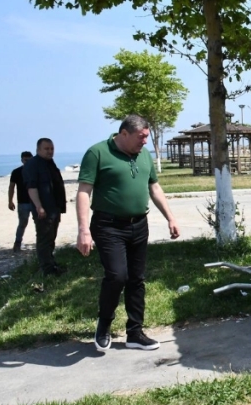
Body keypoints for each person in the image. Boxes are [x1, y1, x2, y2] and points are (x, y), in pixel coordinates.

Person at [76, 115, 180, 352]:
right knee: (117, 276)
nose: (145, 142)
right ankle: (103, 326)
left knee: (137, 278)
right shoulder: (97, 153)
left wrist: (170, 217)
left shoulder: (144, 155)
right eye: (141, 137)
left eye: (147, 137)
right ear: (124, 134)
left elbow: (154, 187)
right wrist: (83, 230)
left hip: (139, 225)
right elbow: (83, 192)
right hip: (108, 225)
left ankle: (135, 332)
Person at [23, 138, 67, 276]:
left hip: (54, 208)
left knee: (51, 238)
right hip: (43, 209)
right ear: (38, 150)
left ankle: (51, 264)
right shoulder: (33, 164)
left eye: (51, 149)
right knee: (43, 239)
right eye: (46, 149)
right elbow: (32, 187)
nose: (50, 151)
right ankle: (47, 270)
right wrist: (39, 207)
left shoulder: (50, 163)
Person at [9, 151, 34, 252]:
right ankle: (17, 243)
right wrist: (10, 201)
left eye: (29, 160)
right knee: (22, 223)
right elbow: (11, 187)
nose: (27, 162)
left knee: (40, 224)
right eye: (25, 160)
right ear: (22, 160)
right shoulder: (16, 172)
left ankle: (42, 244)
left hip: (36, 202)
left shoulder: (36, 171)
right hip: (22, 202)